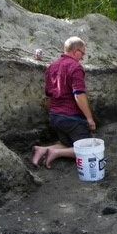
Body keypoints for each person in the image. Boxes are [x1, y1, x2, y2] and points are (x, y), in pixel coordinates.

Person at [32, 36, 96, 168]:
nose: (82, 57)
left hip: (55, 117)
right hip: (71, 118)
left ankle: (42, 149)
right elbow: (79, 94)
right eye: (82, 53)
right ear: (76, 51)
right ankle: (55, 152)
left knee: (69, 144)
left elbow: (49, 95)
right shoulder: (75, 67)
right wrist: (89, 118)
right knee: (90, 149)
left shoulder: (52, 67)